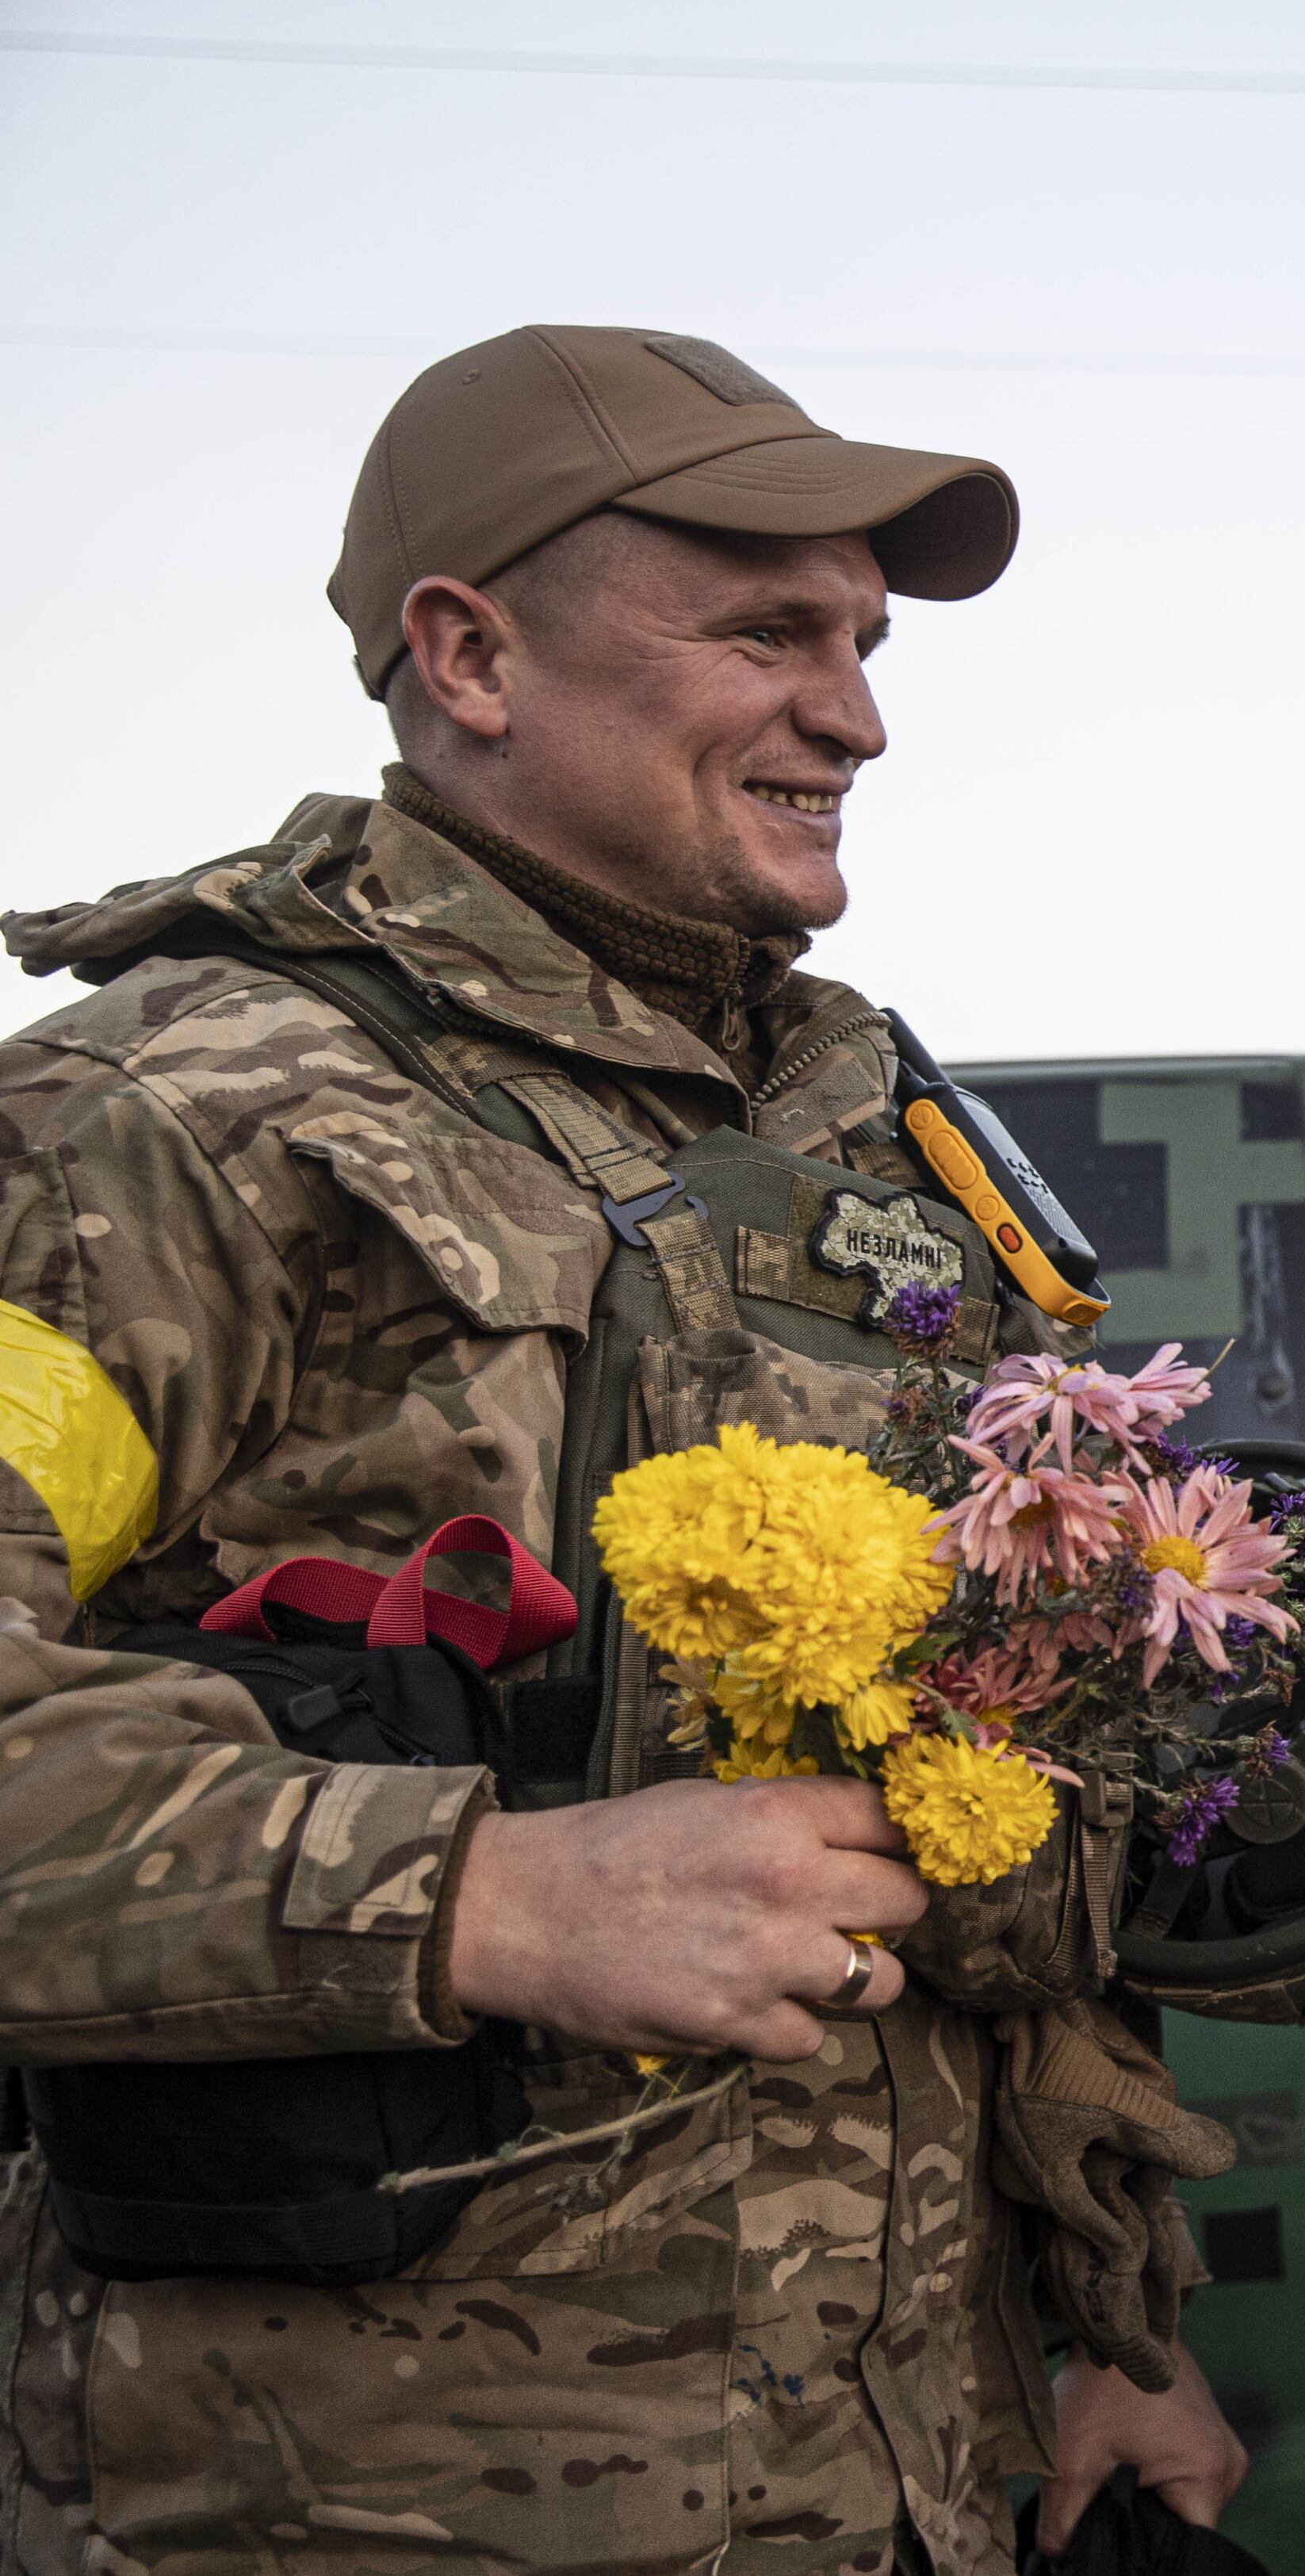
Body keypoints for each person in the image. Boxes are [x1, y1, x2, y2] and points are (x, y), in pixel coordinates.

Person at [0, 326, 1241, 2575]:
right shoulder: (165, 1124)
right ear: (468, 654)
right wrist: (478, 1896)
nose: (858, 714)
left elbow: (1001, 1785)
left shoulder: (881, 1146)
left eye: (862, 642)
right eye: (770, 631)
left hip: (914, 2483)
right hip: (374, 2506)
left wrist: (1109, 2310)